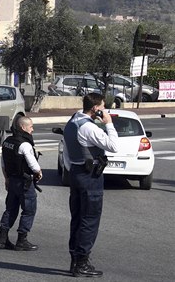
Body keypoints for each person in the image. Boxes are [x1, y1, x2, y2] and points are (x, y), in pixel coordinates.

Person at [63, 93, 118, 277]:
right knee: (90, 220)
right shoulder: (88, 128)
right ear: (95, 108)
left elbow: (67, 154)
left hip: (77, 173)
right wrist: (108, 123)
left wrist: (72, 169)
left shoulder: (72, 122)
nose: (104, 110)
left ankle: (74, 260)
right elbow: (113, 145)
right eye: (102, 107)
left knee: (77, 218)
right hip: (90, 177)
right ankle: (82, 262)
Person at [0, 116, 42, 251]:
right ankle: (22, 240)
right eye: (31, 126)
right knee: (29, 210)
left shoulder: (7, 142)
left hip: (12, 181)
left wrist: (6, 179)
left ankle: (2, 239)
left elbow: (3, 163)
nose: (32, 129)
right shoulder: (24, 144)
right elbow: (32, 163)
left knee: (10, 209)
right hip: (24, 182)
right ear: (23, 127)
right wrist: (38, 171)